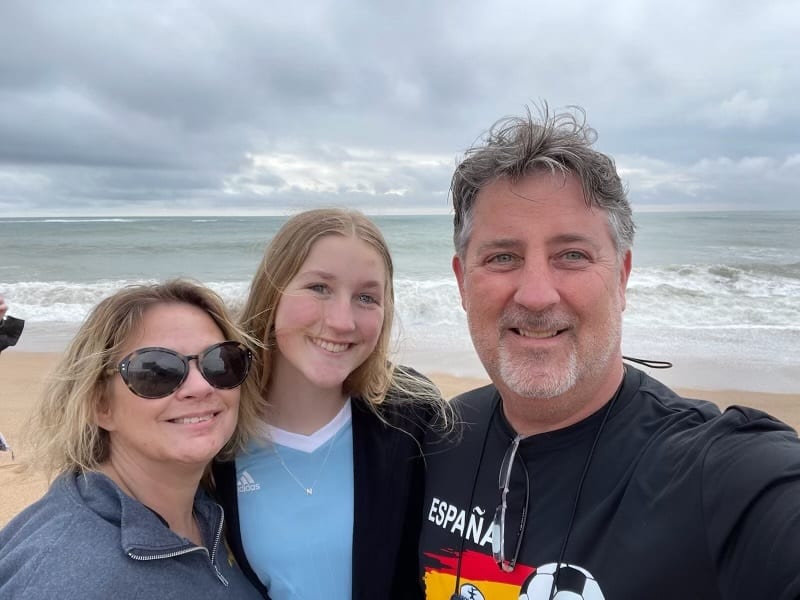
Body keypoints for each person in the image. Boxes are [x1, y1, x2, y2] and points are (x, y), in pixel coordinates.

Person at [418, 106, 800, 599]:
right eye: (502, 257)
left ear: (621, 277)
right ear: (462, 281)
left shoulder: (710, 475)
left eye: (572, 255)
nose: (536, 294)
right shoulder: (435, 440)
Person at [212, 208, 453, 600]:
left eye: (366, 297)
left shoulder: (413, 416)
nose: (343, 321)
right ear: (273, 291)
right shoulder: (214, 423)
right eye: (319, 288)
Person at [0, 280, 265, 600]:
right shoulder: (67, 580)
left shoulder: (216, 514)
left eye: (220, 362)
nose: (201, 386)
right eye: (157, 370)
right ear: (100, 405)